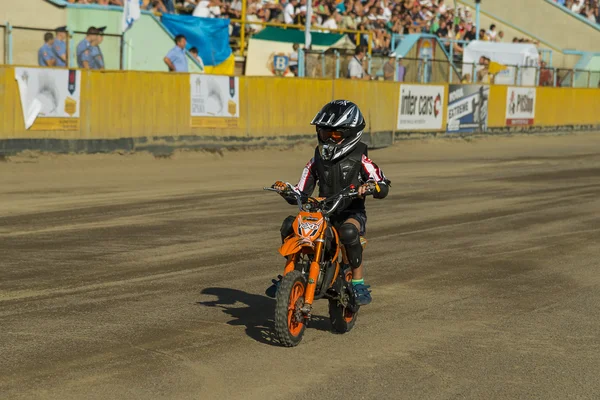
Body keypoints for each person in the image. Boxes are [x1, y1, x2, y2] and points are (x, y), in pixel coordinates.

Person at [266, 100, 391, 306]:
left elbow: (381, 183)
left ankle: (358, 283)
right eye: (325, 133)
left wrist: (371, 187)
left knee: (349, 232)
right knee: (290, 225)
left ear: (350, 134)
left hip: (351, 212)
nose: (329, 139)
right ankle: (290, 274)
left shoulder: (361, 159)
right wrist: (286, 190)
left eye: (335, 134)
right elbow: (300, 191)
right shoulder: (316, 160)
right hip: (323, 212)